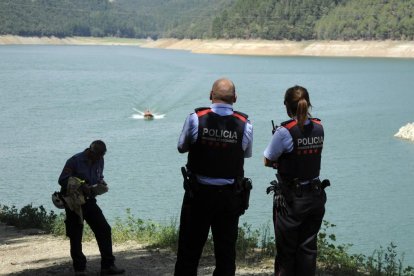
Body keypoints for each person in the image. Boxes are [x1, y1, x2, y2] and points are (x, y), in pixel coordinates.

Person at [175, 78, 253, 276]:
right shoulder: (245, 124)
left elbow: (181, 147)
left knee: (188, 252)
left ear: (211, 95)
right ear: (235, 98)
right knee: (226, 254)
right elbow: (245, 153)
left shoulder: (195, 118)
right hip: (229, 198)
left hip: (198, 196)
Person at [264, 85, 327, 276]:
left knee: (286, 253)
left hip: (292, 201)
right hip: (315, 196)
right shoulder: (319, 127)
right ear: (308, 104)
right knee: (308, 252)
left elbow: (267, 159)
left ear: (286, 106)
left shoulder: (284, 132)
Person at [58, 140, 125, 276]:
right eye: (98, 155)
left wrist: (101, 183)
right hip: (74, 202)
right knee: (76, 235)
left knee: (104, 229)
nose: (99, 158)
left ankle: (107, 266)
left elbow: (99, 176)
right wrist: (81, 184)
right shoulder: (74, 160)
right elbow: (62, 180)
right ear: (90, 151)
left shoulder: (100, 160)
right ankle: (80, 269)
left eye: (102, 155)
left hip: (89, 201)